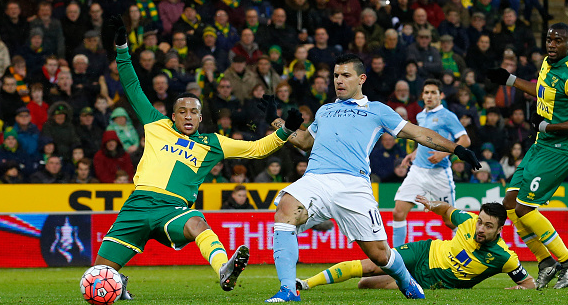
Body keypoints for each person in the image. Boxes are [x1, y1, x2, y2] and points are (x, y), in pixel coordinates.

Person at [90, 15, 304, 300]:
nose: (188, 116)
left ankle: (223, 269)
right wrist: (121, 49)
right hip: (137, 206)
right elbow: (132, 86)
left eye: (194, 112)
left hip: (172, 209)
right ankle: (120, 282)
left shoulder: (212, 143)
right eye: (183, 111)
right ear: (173, 115)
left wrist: (287, 130)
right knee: (96, 278)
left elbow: (256, 149)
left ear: (201, 117)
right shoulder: (156, 124)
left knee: (198, 223)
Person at [262, 53, 480, 302]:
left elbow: (418, 133)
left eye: (345, 75)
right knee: (285, 209)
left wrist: (457, 149)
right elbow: (304, 141)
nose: (338, 81)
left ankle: (405, 280)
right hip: (316, 178)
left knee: (380, 255)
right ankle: (288, 290)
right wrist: (277, 121)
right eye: (335, 76)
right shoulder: (325, 110)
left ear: (361, 79)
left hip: (353, 184)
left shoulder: (377, 111)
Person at [296, 196, 536, 291]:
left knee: (364, 285)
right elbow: (447, 210)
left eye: (487, 226)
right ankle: (305, 284)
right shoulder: (468, 221)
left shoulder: (505, 257)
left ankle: (401, 279)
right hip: (425, 252)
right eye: (480, 222)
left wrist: (521, 288)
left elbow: (529, 283)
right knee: (370, 265)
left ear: (500, 230)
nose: (480, 229)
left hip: (431, 282)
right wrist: (433, 205)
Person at [486, 22, 568, 289]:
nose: (551, 45)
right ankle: (545, 262)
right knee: (510, 203)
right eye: (549, 39)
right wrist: (508, 79)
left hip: (559, 147)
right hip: (540, 143)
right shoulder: (547, 63)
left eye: (558, 41)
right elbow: (541, 90)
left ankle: (566, 261)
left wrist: (548, 126)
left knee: (524, 207)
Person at [391, 78, 471, 247]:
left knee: (450, 221)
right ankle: (396, 260)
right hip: (417, 171)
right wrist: (414, 153)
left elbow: (465, 140)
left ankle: (468, 250)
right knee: (398, 212)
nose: (429, 96)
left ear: (440, 95)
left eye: (433, 93)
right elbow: (424, 140)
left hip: (439, 174)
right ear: (422, 95)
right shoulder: (421, 115)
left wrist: (443, 154)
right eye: (426, 92)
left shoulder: (448, 116)